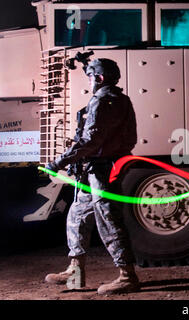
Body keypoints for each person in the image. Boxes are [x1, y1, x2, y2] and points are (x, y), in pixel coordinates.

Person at [44, 58, 139, 295]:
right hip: (100, 169)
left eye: (90, 76)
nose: (89, 81)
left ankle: (127, 276)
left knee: (109, 220)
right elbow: (129, 138)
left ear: (100, 77)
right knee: (77, 215)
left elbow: (89, 141)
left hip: (102, 171)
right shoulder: (122, 100)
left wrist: (58, 162)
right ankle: (75, 273)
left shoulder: (102, 101)